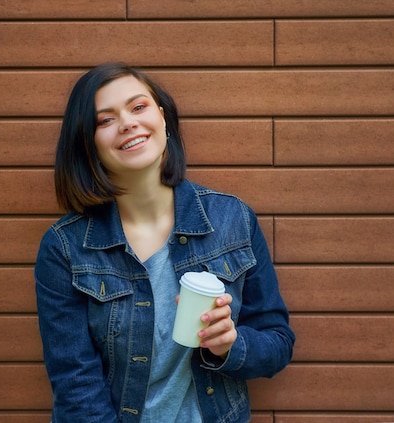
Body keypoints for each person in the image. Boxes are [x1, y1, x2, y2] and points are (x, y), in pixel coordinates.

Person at [34, 62, 295, 422]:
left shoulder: (233, 220)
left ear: (162, 117)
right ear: (88, 144)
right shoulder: (65, 248)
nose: (127, 123)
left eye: (138, 107)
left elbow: (278, 343)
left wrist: (230, 346)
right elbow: (76, 385)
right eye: (105, 120)